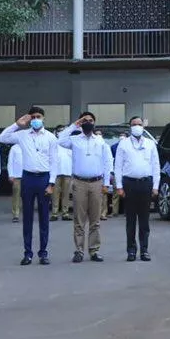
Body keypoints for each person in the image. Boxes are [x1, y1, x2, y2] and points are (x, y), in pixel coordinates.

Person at [0, 108, 58, 264]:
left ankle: (43, 252)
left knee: (44, 218)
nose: (36, 119)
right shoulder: (22, 135)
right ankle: (28, 252)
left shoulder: (51, 137)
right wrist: (17, 124)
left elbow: (54, 161)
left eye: (38, 117)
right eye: (33, 117)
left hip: (44, 178)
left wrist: (51, 183)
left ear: (44, 118)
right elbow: (2, 137)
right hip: (28, 178)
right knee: (28, 217)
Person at [58, 111, 112, 262]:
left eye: (90, 120)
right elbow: (59, 140)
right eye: (85, 120)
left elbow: (108, 163)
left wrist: (106, 183)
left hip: (96, 183)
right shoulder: (74, 140)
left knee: (95, 220)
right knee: (79, 219)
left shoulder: (101, 141)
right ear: (81, 123)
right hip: (79, 182)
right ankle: (79, 250)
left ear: (94, 123)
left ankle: (94, 250)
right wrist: (75, 124)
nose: (88, 122)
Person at [113, 115, 159, 262]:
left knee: (144, 220)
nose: (137, 127)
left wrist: (156, 186)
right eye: (134, 124)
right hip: (129, 184)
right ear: (130, 127)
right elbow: (118, 166)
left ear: (143, 126)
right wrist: (119, 186)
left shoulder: (150, 144)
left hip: (146, 183)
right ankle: (131, 250)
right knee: (131, 220)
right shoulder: (124, 144)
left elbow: (155, 166)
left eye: (139, 124)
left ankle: (144, 250)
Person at [50, 128, 73, 221]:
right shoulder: (53, 143)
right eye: (59, 130)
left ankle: (65, 213)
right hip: (56, 173)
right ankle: (54, 213)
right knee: (55, 194)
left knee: (66, 194)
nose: (61, 132)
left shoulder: (69, 143)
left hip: (67, 172)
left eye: (63, 130)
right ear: (56, 132)